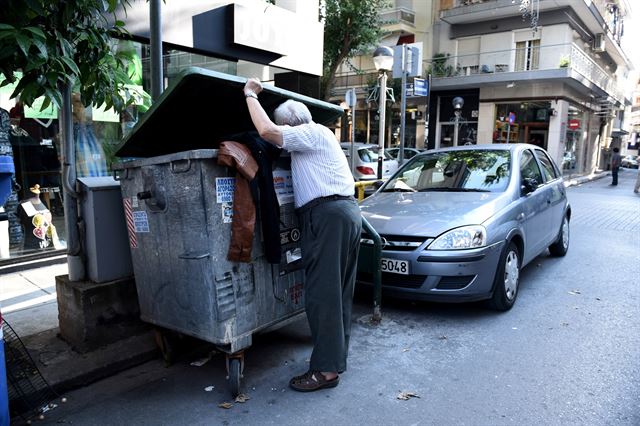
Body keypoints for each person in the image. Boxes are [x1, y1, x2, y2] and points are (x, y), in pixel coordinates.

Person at [242, 78, 362, 392]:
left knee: (322, 295)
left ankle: (324, 371)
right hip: (343, 213)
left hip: (328, 216)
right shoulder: (318, 141)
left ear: (293, 124)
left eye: (286, 130)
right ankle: (334, 361)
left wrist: (249, 95)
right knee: (336, 294)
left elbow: (267, 131)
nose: (283, 140)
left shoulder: (311, 132)